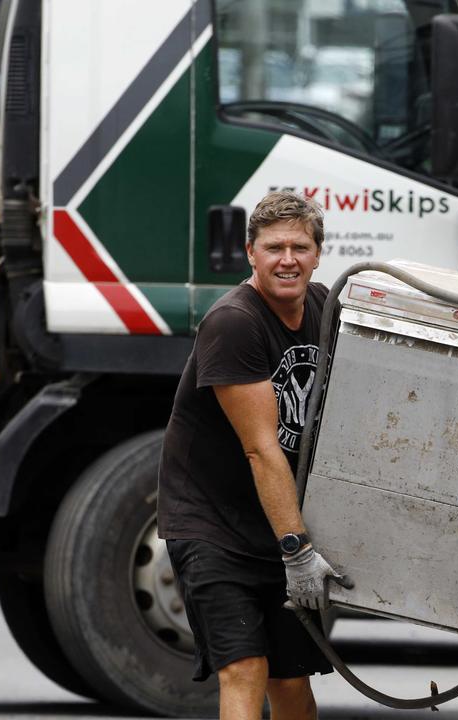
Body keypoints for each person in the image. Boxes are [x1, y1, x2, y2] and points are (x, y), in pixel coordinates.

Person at [157, 190, 351, 720]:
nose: (287, 260)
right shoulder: (234, 322)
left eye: (300, 247)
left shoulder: (323, 307)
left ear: (317, 254)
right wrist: (298, 551)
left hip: (275, 520)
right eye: (273, 248)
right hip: (213, 526)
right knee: (245, 669)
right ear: (250, 253)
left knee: (291, 682)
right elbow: (262, 448)